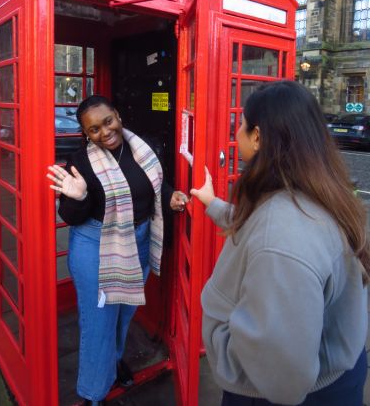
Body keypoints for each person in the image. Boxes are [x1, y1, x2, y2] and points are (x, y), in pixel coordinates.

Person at [190, 81, 369, 406]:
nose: (237, 134)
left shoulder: (282, 234)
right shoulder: (317, 192)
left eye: (241, 125)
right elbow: (263, 232)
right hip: (338, 373)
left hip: (272, 394)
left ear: (257, 136)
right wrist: (212, 203)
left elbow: (283, 378)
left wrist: (226, 346)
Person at [47, 95, 187, 406]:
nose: (104, 132)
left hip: (137, 239)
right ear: (86, 133)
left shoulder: (143, 148)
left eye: (107, 121)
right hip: (96, 244)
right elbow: (71, 216)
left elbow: (153, 187)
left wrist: (171, 196)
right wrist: (78, 197)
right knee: (99, 323)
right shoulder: (81, 162)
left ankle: (115, 361)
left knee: (125, 313)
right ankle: (93, 393)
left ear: (118, 116)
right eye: (93, 129)